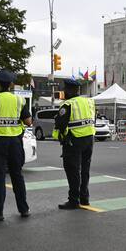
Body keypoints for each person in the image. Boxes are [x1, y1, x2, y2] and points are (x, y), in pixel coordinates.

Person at [0, 69, 31, 221]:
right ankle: (24, 209)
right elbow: (28, 122)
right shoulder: (19, 100)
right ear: (11, 84)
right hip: (15, 143)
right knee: (17, 175)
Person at [53, 79, 96, 209]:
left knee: (73, 170)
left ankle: (73, 200)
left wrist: (61, 137)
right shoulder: (89, 102)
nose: (64, 91)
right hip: (89, 139)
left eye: (65, 89)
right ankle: (84, 198)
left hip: (74, 140)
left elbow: (60, 125)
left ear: (70, 90)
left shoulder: (68, 104)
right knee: (85, 170)